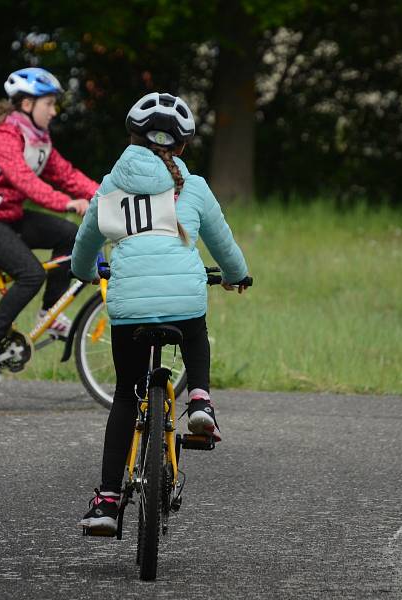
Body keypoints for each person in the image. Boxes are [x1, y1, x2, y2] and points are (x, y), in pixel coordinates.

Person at [69, 92, 250, 534]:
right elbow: (225, 247)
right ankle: (201, 399)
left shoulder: (110, 186)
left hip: (129, 309)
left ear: (132, 137)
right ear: (183, 147)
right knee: (194, 330)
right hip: (185, 301)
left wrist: (89, 273)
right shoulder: (195, 188)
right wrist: (236, 276)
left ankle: (108, 502)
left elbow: (82, 252)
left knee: (126, 396)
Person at [0, 67, 99, 384]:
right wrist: (67, 203)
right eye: (50, 103)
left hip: (7, 215)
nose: (54, 111)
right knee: (30, 273)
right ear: (28, 104)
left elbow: (68, 176)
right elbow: (24, 180)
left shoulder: (39, 140)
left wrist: (108, 198)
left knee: (72, 237)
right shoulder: (5, 135)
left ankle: (50, 311)